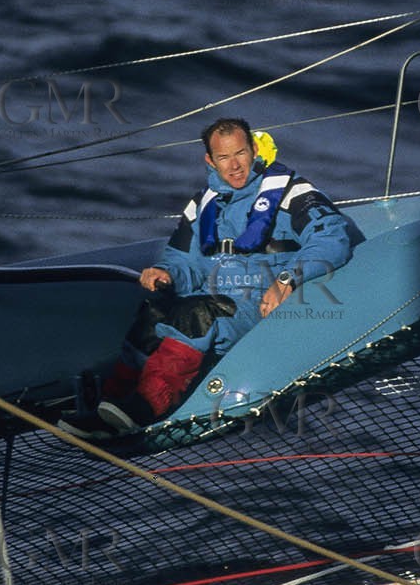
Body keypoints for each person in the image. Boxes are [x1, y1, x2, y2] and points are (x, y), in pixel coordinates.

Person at [62, 116, 354, 436]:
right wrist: (166, 274)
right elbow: (182, 260)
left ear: (254, 149)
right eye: (224, 158)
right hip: (212, 296)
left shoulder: (291, 191)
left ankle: (147, 406)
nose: (235, 166)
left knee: (197, 314)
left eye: (240, 153)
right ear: (210, 160)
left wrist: (288, 279)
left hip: (258, 304)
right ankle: (110, 407)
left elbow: (332, 237)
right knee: (153, 313)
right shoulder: (203, 204)